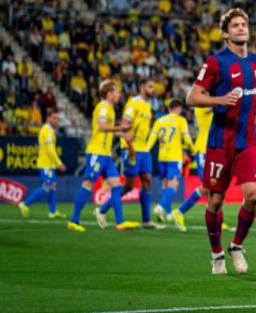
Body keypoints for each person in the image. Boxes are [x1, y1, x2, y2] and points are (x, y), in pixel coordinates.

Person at [186, 8, 256, 275]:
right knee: (215, 202)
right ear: (225, 33)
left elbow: (246, 95)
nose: (241, 28)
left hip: (247, 141)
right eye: (235, 25)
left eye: (243, 24)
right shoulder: (216, 62)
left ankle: (236, 245)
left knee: (253, 196)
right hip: (220, 143)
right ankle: (216, 254)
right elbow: (192, 97)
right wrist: (219, 100)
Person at [68, 80, 139, 232]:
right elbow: (101, 127)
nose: (119, 94)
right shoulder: (102, 107)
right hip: (96, 152)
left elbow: (109, 130)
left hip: (106, 155)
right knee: (88, 184)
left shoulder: (111, 109)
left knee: (117, 186)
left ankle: (120, 222)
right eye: (117, 91)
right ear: (109, 93)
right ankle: (73, 220)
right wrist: (121, 127)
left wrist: (124, 135)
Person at [99, 80, 159, 229]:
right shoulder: (133, 103)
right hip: (132, 148)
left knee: (147, 181)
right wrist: (130, 147)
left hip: (144, 149)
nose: (153, 90)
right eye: (150, 86)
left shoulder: (147, 105)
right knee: (129, 186)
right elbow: (125, 125)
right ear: (142, 87)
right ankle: (101, 210)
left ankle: (146, 220)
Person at [147, 99, 195, 232]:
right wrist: (192, 148)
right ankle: (160, 207)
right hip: (174, 157)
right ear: (178, 108)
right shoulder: (180, 121)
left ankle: (167, 213)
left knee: (165, 184)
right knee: (174, 184)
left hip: (161, 157)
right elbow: (186, 138)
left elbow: (152, 138)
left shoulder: (159, 121)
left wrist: (146, 150)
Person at [19, 109, 67, 219]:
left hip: (50, 164)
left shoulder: (49, 130)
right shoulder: (47, 131)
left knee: (53, 186)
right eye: (54, 118)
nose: (56, 120)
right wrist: (59, 162)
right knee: (48, 186)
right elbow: (50, 149)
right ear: (48, 118)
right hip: (45, 164)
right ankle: (25, 204)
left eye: (57, 118)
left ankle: (52, 211)